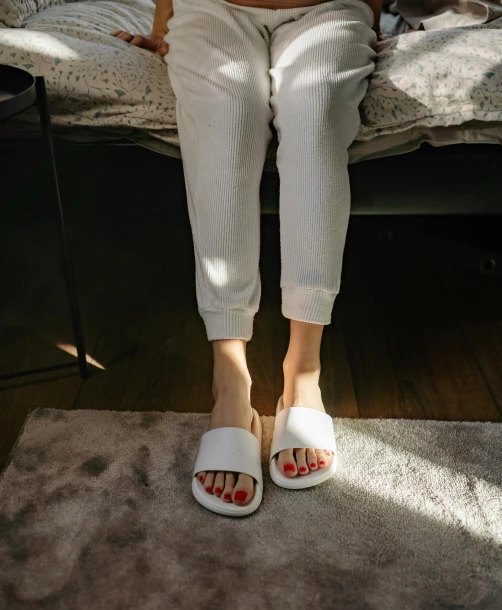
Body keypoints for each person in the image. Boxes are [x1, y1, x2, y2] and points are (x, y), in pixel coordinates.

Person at [111, 0, 382, 515]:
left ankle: (303, 375)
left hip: (326, 9)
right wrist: (162, 25)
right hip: (212, 8)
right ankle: (229, 381)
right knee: (227, 120)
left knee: (317, 111)